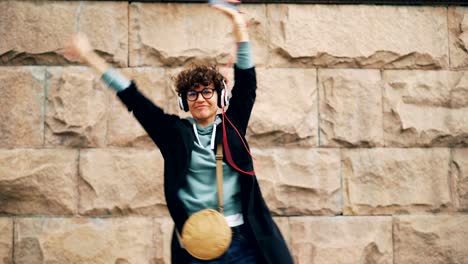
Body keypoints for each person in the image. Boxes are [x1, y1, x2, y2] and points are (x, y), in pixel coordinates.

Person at [63, 2, 293, 264]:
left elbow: (247, 80)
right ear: (184, 102)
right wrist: (90, 57)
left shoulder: (232, 126)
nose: (200, 98)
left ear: (220, 98)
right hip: (197, 244)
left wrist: (239, 27)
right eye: (192, 93)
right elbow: (134, 98)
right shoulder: (174, 133)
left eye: (207, 91)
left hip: (244, 240)